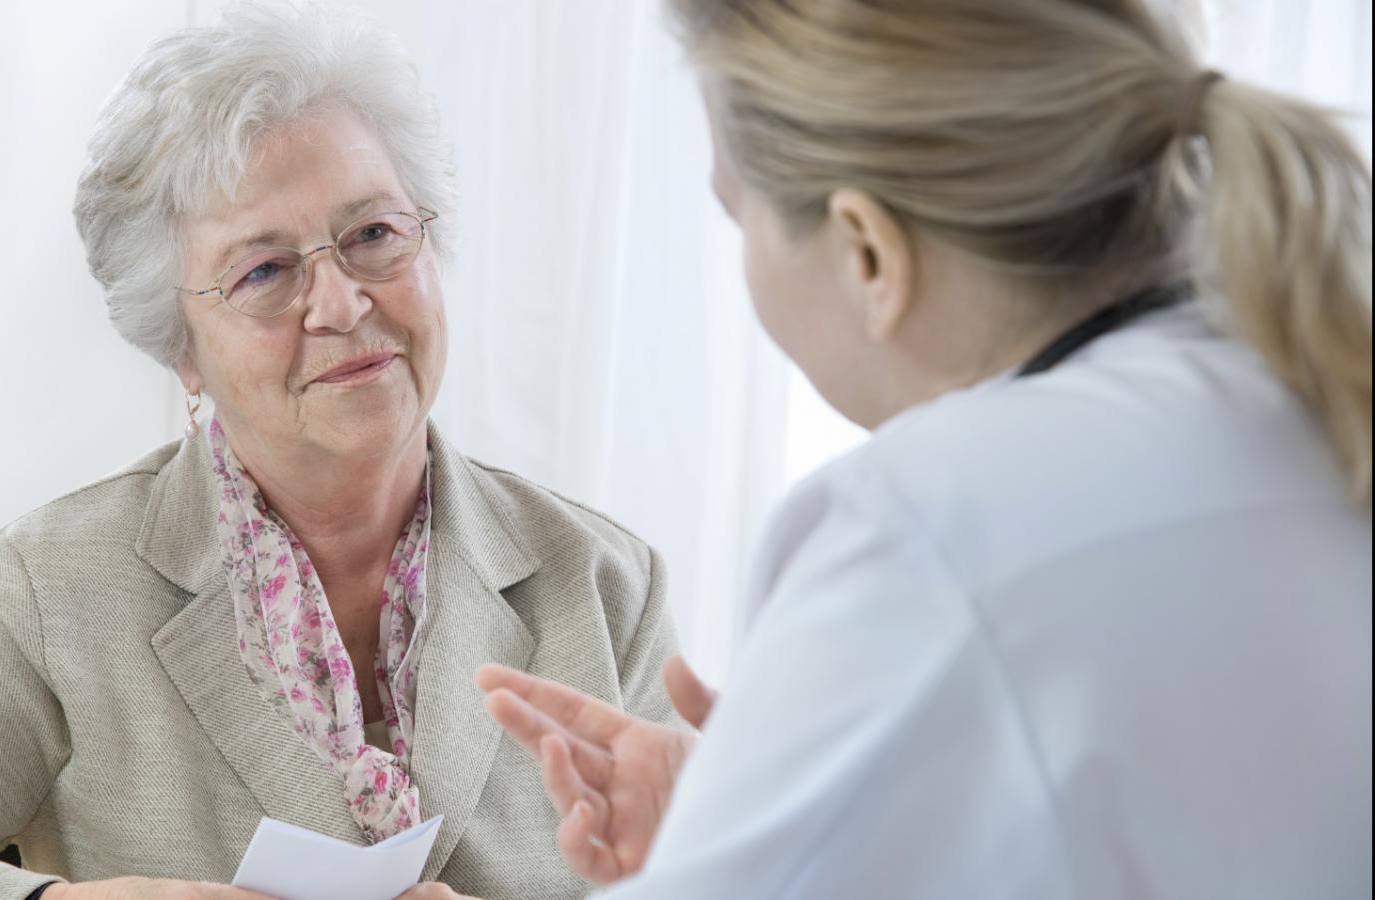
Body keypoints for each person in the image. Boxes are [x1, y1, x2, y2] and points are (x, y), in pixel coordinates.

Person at [0, 4, 682, 899]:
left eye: (372, 235)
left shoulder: (604, 588)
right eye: (264, 271)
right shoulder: (63, 593)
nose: (340, 303)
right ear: (182, 348)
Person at [471, 0, 1374, 897]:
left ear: (867, 250)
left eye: (736, 213)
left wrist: (750, 848)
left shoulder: (924, 523)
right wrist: (759, 828)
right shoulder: (1310, 385)